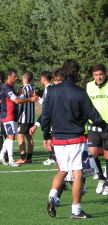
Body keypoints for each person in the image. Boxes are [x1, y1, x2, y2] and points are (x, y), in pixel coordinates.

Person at [42, 59, 108, 219]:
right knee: (77, 173)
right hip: (76, 139)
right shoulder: (79, 92)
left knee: (63, 170)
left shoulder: (52, 91)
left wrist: (46, 135)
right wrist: (105, 126)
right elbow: (93, 115)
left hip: (58, 138)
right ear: (76, 73)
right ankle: (76, 211)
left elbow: (45, 116)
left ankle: (52, 195)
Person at [0, 68, 38, 167]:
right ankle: (11, 159)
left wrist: (18, 94)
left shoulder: (11, 87)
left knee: (10, 136)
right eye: (14, 76)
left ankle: (1, 155)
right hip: (8, 115)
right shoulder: (6, 87)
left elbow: (13, 98)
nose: (16, 78)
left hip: (13, 115)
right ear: (9, 76)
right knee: (11, 136)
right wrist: (30, 99)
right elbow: (16, 101)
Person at [86, 63, 108, 195]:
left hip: (107, 125)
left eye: (101, 74)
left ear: (105, 74)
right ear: (93, 76)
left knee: (107, 155)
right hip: (93, 125)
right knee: (92, 155)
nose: (99, 77)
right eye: (96, 75)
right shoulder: (88, 86)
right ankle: (101, 177)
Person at [29, 71, 56, 165]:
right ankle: (51, 157)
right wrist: (38, 98)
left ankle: (53, 158)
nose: (41, 80)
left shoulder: (50, 89)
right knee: (50, 136)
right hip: (48, 116)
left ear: (44, 78)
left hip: (51, 117)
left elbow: (48, 105)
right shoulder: (47, 89)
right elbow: (45, 104)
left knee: (51, 136)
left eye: (41, 78)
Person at [16, 71, 36, 164]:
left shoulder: (22, 88)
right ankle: (29, 157)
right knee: (29, 138)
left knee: (20, 136)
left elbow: (19, 101)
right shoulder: (32, 88)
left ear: (24, 77)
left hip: (23, 117)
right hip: (31, 118)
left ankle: (22, 157)